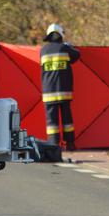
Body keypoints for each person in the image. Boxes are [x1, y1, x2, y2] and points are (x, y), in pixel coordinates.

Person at [40, 23, 81, 151]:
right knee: (67, 119)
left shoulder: (43, 50)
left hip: (48, 92)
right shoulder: (65, 49)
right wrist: (69, 46)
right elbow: (77, 55)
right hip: (64, 92)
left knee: (51, 122)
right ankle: (70, 144)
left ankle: (53, 146)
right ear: (60, 35)